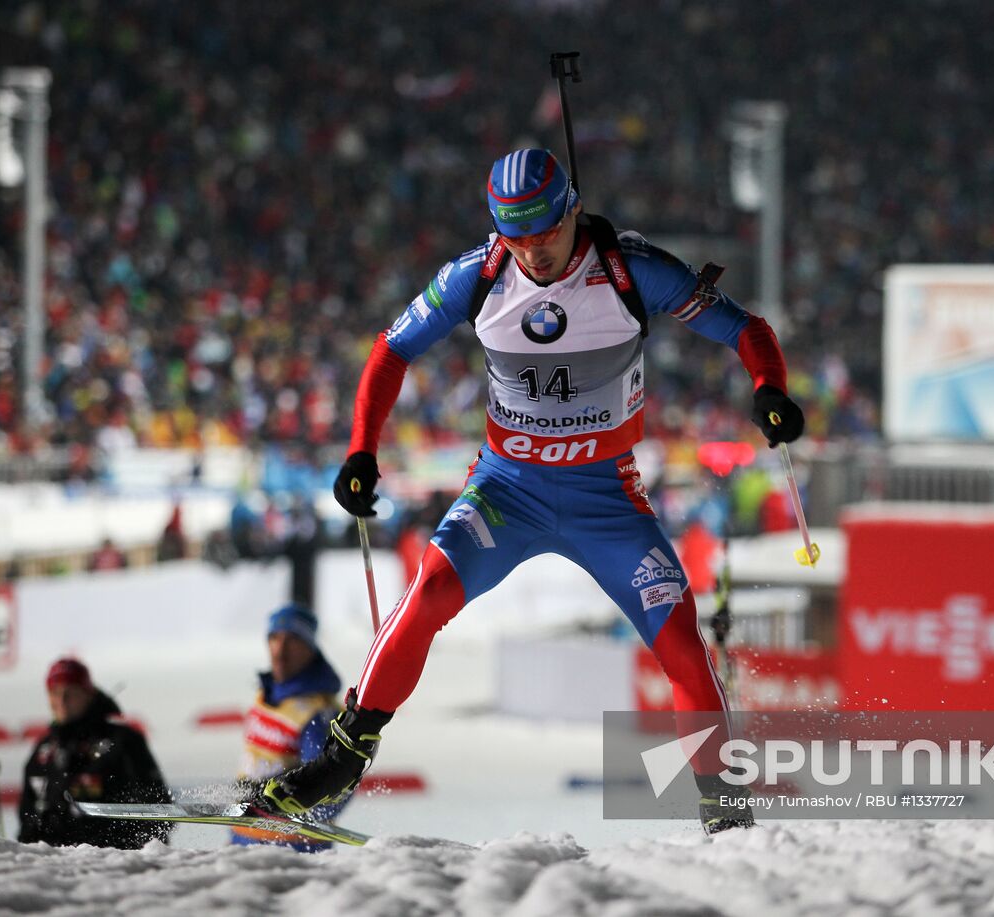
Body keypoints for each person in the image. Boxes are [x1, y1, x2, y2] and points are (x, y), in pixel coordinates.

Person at [263, 148, 804, 834]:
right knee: (426, 594)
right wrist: (361, 450)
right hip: (506, 491)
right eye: (514, 236)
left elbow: (745, 328)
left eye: (544, 233)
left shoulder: (632, 269)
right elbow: (390, 350)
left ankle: (725, 810)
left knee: (682, 647)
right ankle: (341, 758)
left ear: (572, 210)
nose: (531, 252)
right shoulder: (476, 276)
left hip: (605, 498)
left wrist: (770, 391)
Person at [18, 657, 173, 847]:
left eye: (70, 692)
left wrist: (123, 854)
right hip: (51, 867)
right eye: (55, 692)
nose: (62, 700)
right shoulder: (43, 751)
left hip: (112, 863)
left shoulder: (122, 741)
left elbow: (159, 811)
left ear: (88, 694)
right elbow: (27, 820)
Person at [232, 604, 347, 850]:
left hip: (289, 851)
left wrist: (284, 808)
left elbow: (333, 787)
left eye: (292, 640)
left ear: (310, 648)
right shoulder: (268, 692)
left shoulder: (317, 715)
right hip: (244, 838)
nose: (280, 651)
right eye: (274, 638)